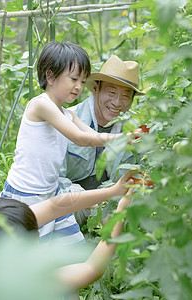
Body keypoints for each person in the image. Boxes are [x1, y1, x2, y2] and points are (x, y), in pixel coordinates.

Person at [1, 42, 123, 245]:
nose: (78, 87)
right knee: (29, 249)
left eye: (82, 82)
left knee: (73, 246)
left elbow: (92, 135)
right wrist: (122, 139)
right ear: (50, 76)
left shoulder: (67, 113)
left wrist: (128, 140)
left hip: (52, 190)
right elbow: (80, 139)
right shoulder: (41, 104)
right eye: (74, 79)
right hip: (28, 193)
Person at [0, 173, 135, 298]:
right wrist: (120, 213)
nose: (39, 232)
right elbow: (92, 268)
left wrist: (113, 191)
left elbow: (54, 207)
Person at [59, 55, 149, 224]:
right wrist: (93, 205)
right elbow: (55, 180)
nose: (117, 102)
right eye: (112, 92)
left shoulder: (135, 129)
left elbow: (144, 173)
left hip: (113, 202)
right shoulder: (67, 119)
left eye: (125, 96)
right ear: (96, 88)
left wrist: (121, 206)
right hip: (73, 202)